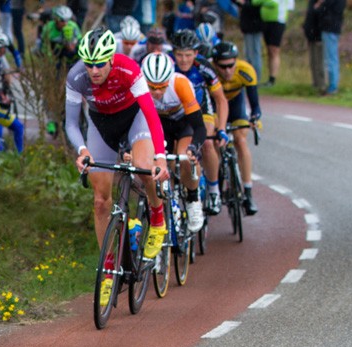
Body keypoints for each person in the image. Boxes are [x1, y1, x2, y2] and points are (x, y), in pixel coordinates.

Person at [65, 28, 170, 306]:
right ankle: (109, 269)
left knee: (143, 166)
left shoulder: (129, 69)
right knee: (100, 201)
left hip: (134, 120)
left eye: (100, 63)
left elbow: (150, 113)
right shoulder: (76, 77)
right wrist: (82, 151)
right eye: (89, 64)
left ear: (112, 58)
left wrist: (161, 157)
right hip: (102, 128)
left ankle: (157, 217)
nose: (94, 70)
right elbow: (72, 124)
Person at [141, 52, 207, 232]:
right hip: (159, 126)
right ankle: (163, 205)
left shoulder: (181, 84)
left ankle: (193, 199)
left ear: (168, 80)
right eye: (152, 87)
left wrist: (194, 148)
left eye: (161, 87)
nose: (156, 92)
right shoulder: (138, 86)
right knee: (156, 162)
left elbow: (200, 127)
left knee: (184, 157)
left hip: (183, 123)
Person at [169, 29, 229, 216]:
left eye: (188, 55)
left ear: (196, 53)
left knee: (208, 143)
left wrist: (221, 129)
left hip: (202, 111)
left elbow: (220, 99)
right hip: (177, 113)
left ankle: (213, 190)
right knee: (173, 154)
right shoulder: (168, 66)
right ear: (173, 53)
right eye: (179, 54)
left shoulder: (203, 67)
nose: (184, 60)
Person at [212, 41, 261, 215]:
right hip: (217, 107)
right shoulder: (210, 73)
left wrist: (255, 118)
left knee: (240, 140)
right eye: (222, 67)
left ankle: (248, 193)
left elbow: (255, 105)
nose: (227, 71)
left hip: (237, 107)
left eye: (231, 65)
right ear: (215, 64)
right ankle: (215, 187)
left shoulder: (246, 70)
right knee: (215, 144)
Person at [253, 0, 293, 87]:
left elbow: (279, 5)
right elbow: (255, 2)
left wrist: (264, 2)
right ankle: (269, 78)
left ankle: (272, 79)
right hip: (266, 20)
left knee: (274, 50)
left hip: (278, 20)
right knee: (269, 50)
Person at [314, 0, 346, 95]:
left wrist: (320, 4)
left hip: (330, 28)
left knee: (331, 58)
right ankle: (332, 85)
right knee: (331, 58)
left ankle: (333, 86)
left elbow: (322, 9)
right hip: (333, 28)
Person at [233, 0, 264, 83]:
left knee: (254, 54)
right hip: (248, 26)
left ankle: (255, 79)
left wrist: (244, 3)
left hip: (254, 26)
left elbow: (255, 5)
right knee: (248, 54)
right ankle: (250, 77)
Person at [303, 0, 326, 94]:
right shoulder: (312, 2)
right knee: (313, 62)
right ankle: (316, 84)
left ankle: (321, 85)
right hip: (311, 35)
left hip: (318, 36)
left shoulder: (322, 3)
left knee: (319, 62)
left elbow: (321, 19)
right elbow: (309, 19)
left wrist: (319, 36)